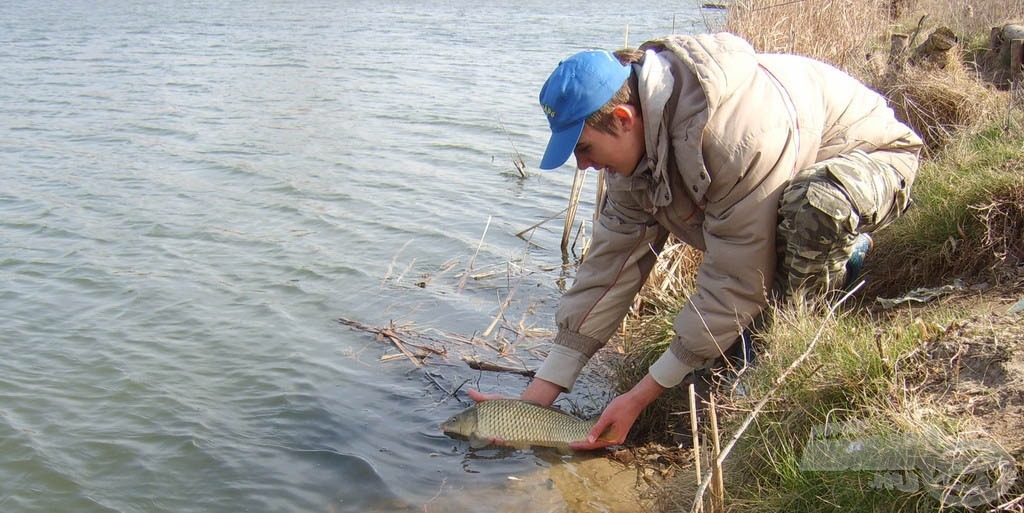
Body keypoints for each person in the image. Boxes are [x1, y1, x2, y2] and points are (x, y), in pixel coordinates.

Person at [470, 32, 922, 450]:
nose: (583, 167)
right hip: (768, 196)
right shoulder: (632, 158)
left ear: (624, 119)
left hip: (870, 164)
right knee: (749, 263)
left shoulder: (737, 134)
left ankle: (800, 342)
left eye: (584, 149)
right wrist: (534, 401)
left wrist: (641, 396)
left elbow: (735, 275)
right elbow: (607, 272)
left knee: (813, 210)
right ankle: (763, 321)